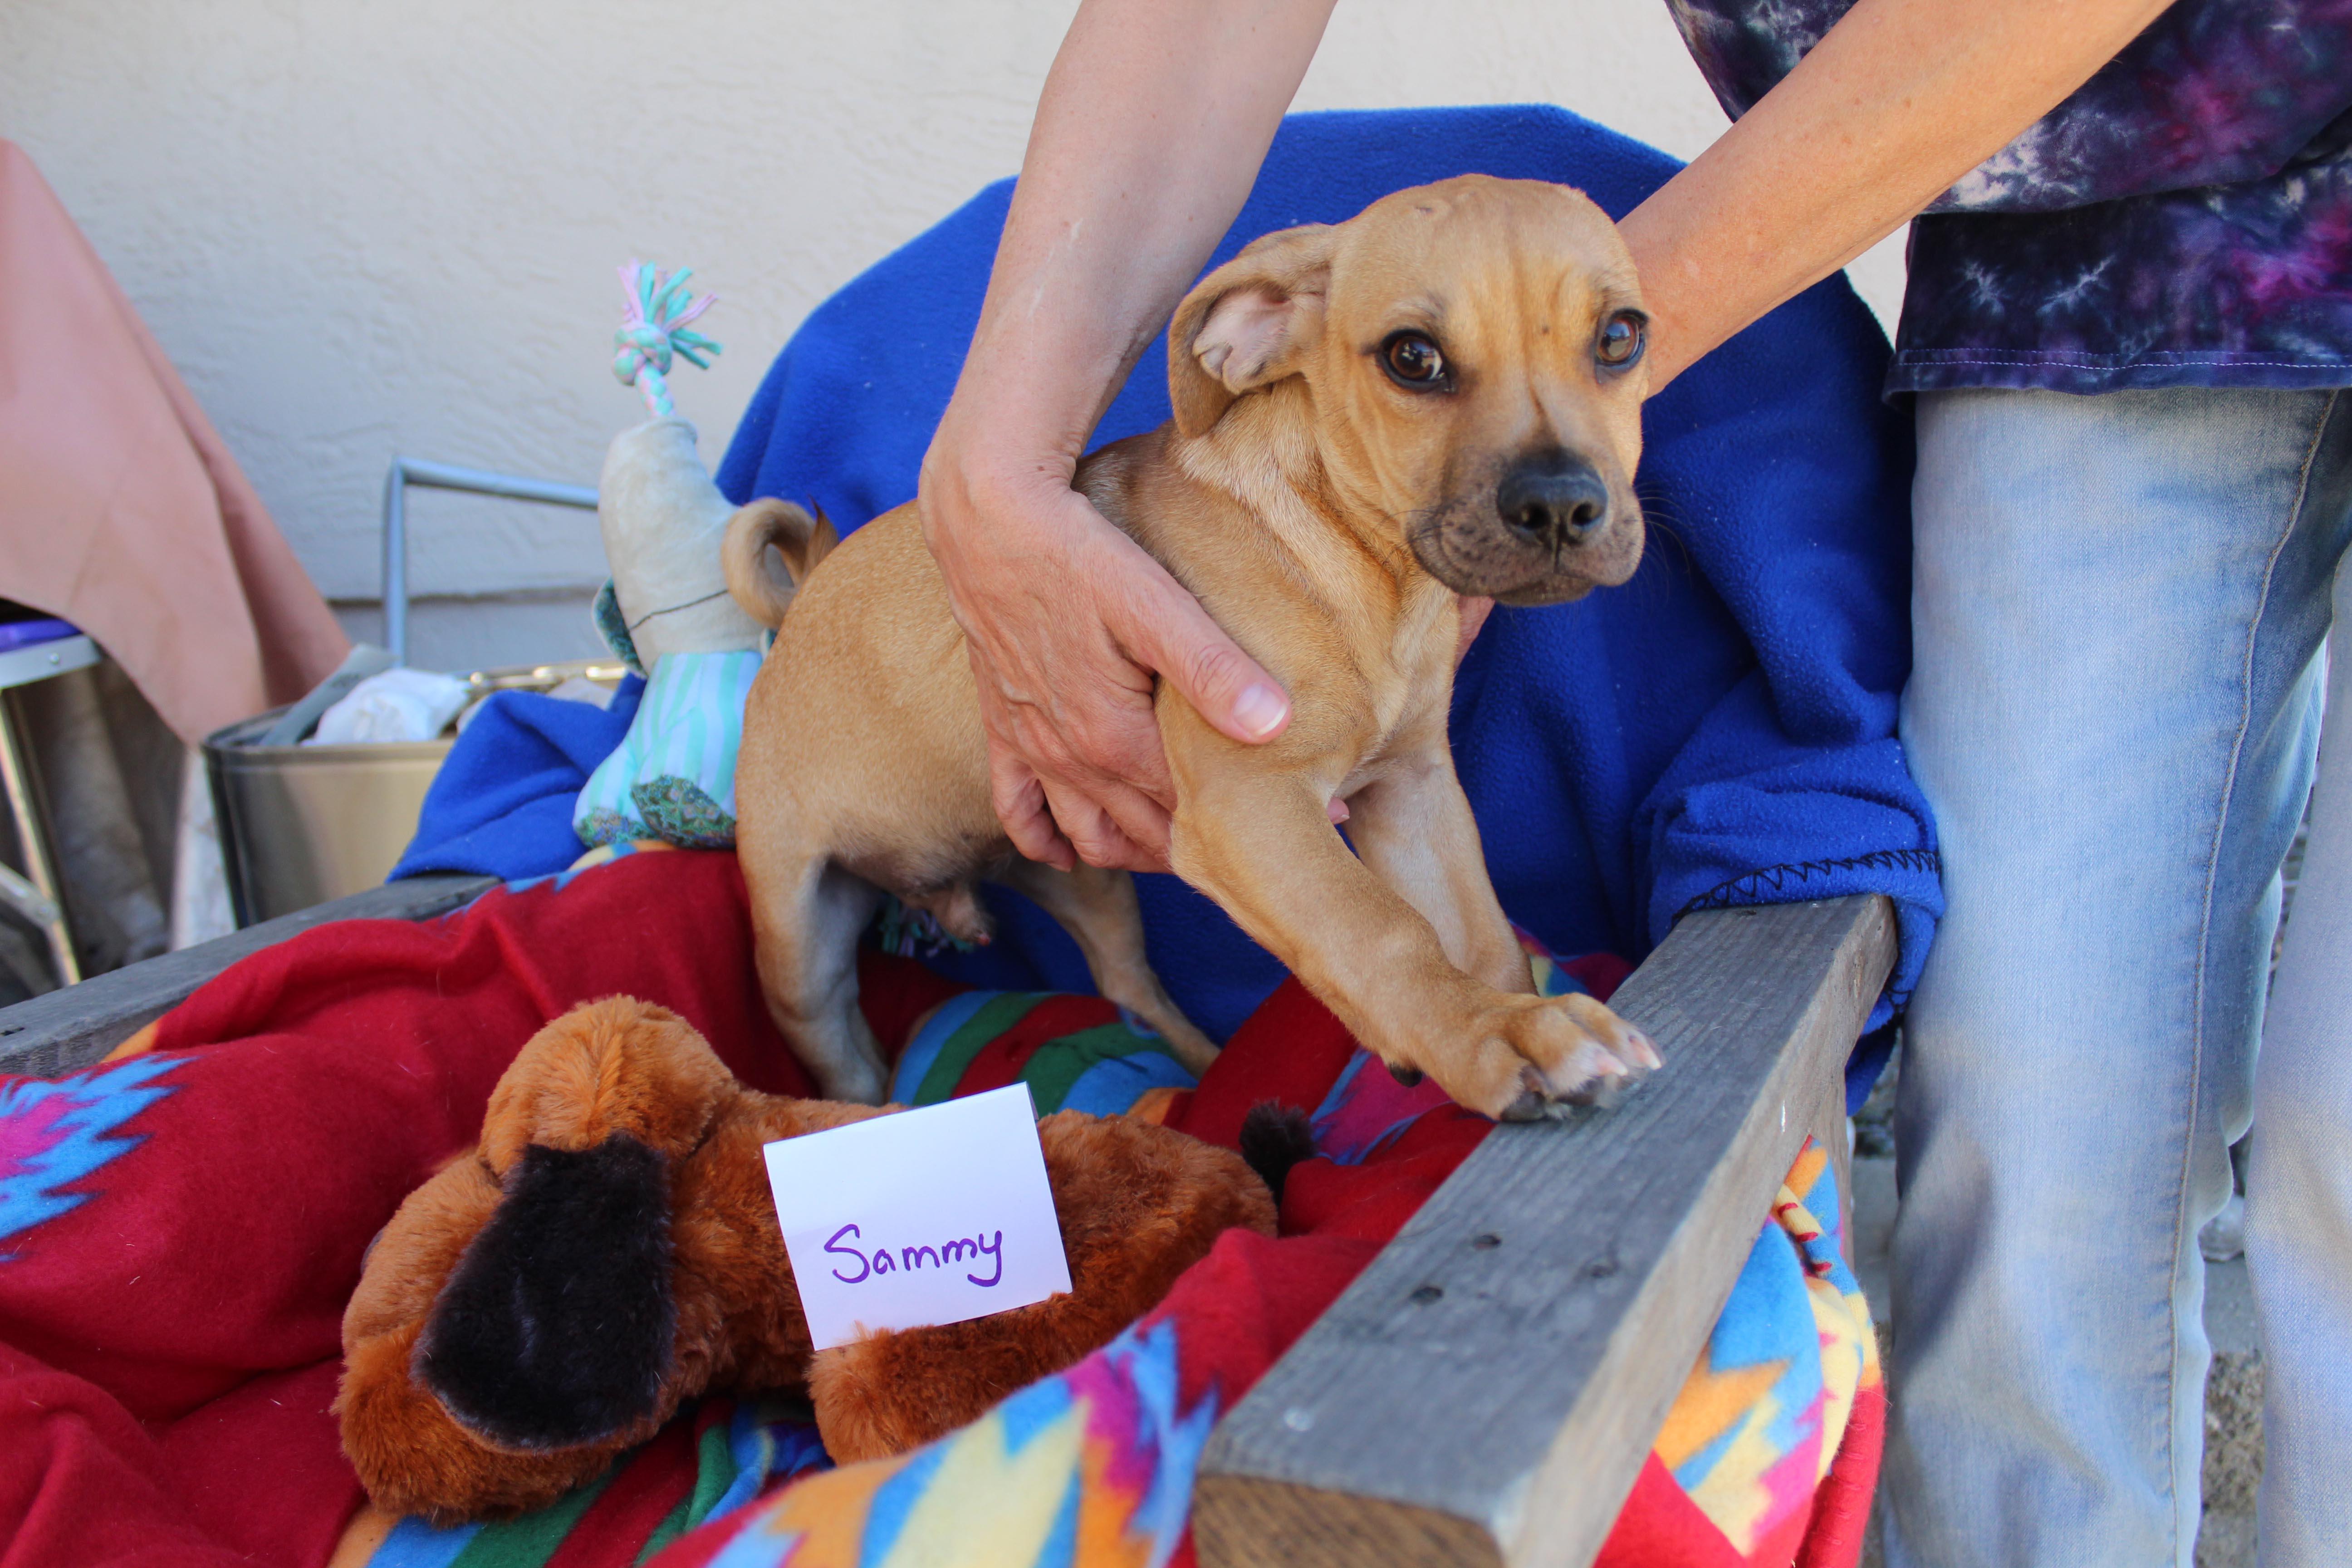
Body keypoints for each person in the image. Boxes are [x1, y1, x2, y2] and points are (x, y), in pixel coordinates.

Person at [913, 2, 2352, 1564]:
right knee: (2026, 1091)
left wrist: (1569, 332)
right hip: (2099, 283)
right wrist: (994, 466)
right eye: (1418, 365)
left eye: (1598, 348)